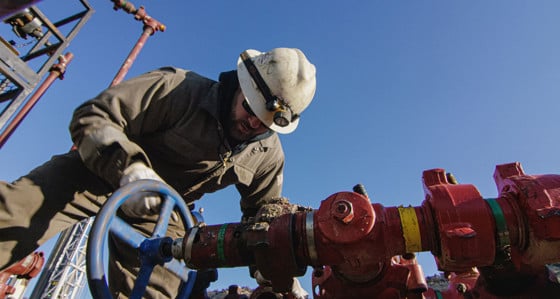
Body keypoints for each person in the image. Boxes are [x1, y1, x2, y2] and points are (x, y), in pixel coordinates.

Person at [0, 47, 316, 298]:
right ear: (242, 84)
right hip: (97, 173)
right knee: (11, 217)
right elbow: (93, 116)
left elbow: (262, 220)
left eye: (266, 122)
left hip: (164, 212)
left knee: (170, 289)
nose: (254, 124)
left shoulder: (267, 155)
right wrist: (130, 169)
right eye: (251, 109)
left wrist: (276, 273)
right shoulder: (178, 89)